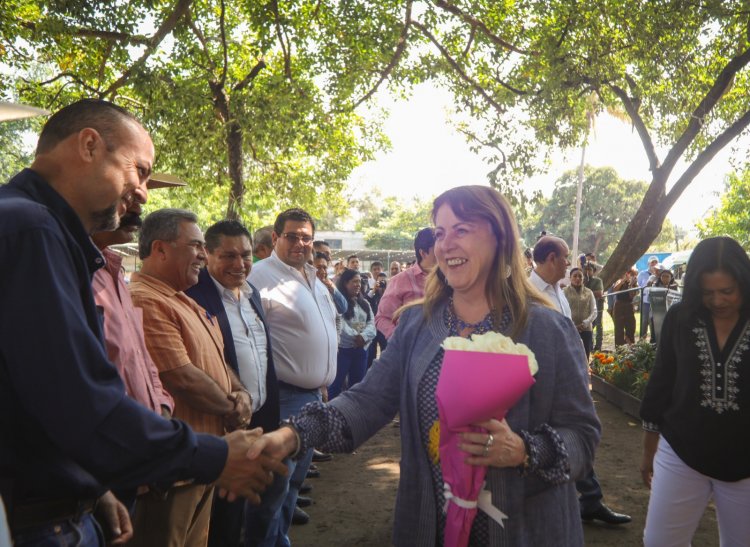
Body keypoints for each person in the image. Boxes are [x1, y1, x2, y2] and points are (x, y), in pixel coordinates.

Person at [0, 100, 284, 545]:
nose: (145, 194)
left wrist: (92, 489)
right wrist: (211, 455)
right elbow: (79, 401)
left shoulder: (41, 230)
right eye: (141, 171)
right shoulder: (31, 229)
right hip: (39, 520)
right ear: (89, 145)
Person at [250, 185, 601, 545]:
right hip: (429, 526)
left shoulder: (547, 329)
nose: (445, 244)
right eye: (440, 233)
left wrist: (525, 450)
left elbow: (584, 438)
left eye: (461, 230)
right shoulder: (418, 325)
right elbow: (366, 401)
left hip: (526, 531)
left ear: (500, 239)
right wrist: (292, 434)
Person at [128, 209, 260, 547]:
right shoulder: (145, 300)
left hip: (201, 462)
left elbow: (216, 361)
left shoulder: (183, 299)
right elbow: (180, 377)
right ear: (160, 249)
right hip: (173, 473)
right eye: (197, 246)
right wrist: (233, 409)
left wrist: (240, 392)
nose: (204, 255)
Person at [640, 236, 750, 546]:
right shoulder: (681, 318)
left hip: (745, 462)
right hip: (681, 452)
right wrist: (649, 451)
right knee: (659, 542)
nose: (717, 300)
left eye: (727, 291)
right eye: (707, 293)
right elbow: (662, 382)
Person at [185, 220, 281, 547]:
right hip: (222, 424)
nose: (239, 264)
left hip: (260, 420)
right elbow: (200, 360)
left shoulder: (252, 294)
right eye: (228, 256)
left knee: (246, 510)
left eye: (245, 255)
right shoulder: (193, 298)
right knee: (219, 519)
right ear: (207, 254)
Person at [248, 208, 338, 543]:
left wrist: (323, 384)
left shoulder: (313, 279)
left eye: (306, 237)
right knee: (272, 492)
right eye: (292, 236)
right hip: (282, 399)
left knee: (293, 487)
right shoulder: (259, 278)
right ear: (275, 238)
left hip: (314, 397)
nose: (300, 243)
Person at [530, 238, 631, 525]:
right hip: (541, 383)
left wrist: (579, 365)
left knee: (573, 436)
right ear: (551, 258)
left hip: (565, 379)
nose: (570, 264)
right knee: (559, 439)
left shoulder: (557, 291)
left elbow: (567, 335)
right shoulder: (527, 292)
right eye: (564, 257)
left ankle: (590, 498)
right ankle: (584, 500)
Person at [375, 228, 436, 339]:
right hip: (412, 352)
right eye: (438, 250)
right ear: (423, 253)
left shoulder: (450, 279)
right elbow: (382, 318)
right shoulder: (400, 281)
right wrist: (400, 340)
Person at [329, 268, 376, 399]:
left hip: (361, 350)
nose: (358, 285)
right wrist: (357, 337)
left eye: (360, 282)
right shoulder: (338, 302)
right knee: (335, 385)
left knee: (357, 386)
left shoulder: (365, 303)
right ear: (345, 283)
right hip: (344, 350)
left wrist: (363, 337)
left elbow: (372, 323)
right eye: (354, 281)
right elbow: (341, 324)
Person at [564, 267, 598, 359]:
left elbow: (594, 311)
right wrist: (573, 325)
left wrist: (585, 323)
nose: (577, 278)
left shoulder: (589, 292)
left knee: (585, 356)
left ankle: (586, 373)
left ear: (583, 278)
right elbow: (562, 310)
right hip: (570, 329)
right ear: (570, 278)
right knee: (571, 357)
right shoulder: (564, 292)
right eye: (575, 276)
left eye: (580, 276)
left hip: (586, 329)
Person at [613, 268, 638, 346]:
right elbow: (615, 290)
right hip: (619, 305)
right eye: (626, 273)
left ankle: (630, 346)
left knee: (631, 327)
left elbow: (632, 295)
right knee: (619, 328)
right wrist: (623, 281)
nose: (628, 275)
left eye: (630, 274)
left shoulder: (634, 284)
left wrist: (631, 284)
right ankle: (619, 349)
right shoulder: (619, 281)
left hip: (629, 305)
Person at [584, 262, 605, 351]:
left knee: (598, 324)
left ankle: (598, 345)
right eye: (586, 270)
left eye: (590, 270)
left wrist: (587, 292)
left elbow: (599, 293)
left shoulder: (597, 280)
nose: (587, 272)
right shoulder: (582, 280)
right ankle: (590, 345)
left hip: (598, 305)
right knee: (589, 325)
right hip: (586, 307)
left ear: (594, 271)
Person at [637, 256, 660, 339]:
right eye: (652, 262)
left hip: (657, 301)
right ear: (648, 264)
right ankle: (642, 342)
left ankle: (653, 342)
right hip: (645, 301)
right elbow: (639, 286)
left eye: (655, 262)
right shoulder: (642, 273)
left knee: (654, 322)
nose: (654, 264)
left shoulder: (660, 274)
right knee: (644, 321)